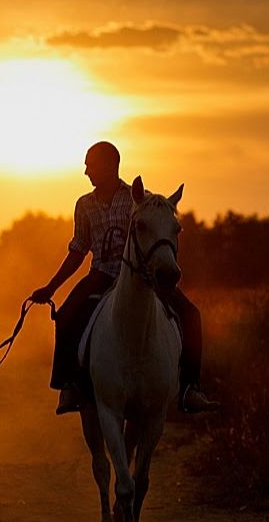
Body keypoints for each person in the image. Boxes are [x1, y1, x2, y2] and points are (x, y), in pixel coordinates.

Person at [29, 141, 219, 415]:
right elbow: (79, 248)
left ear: (110, 166)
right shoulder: (84, 205)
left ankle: (190, 388)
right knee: (67, 315)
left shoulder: (139, 199)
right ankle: (67, 384)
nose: (85, 172)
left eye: (90, 165)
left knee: (190, 315)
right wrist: (51, 287)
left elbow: (160, 233)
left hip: (141, 277)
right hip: (101, 274)